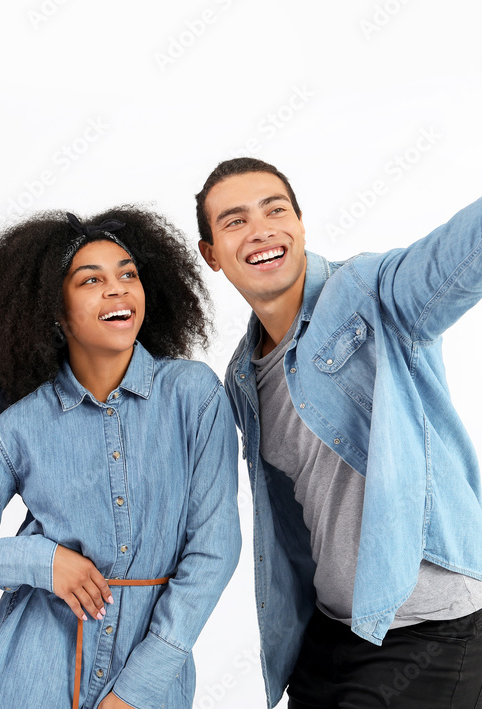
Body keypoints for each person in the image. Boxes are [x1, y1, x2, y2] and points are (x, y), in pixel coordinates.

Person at [0, 208, 241, 709]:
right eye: (91, 280)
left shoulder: (192, 395)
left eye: (127, 275)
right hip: (32, 668)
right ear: (54, 309)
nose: (117, 290)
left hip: (151, 671)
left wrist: (139, 688)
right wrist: (41, 559)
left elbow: (213, 552)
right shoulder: (19, 426)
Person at [195, 157, 482, 708]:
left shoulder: (369, 291)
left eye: (275, 209)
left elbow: (453, 257)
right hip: (329, 631)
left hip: (424, 624)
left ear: (300, 225)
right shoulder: (241, 376)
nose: (260, 229)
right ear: (211, 253)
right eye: (234, 221)